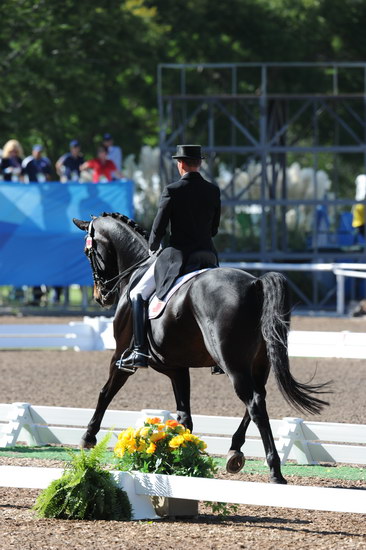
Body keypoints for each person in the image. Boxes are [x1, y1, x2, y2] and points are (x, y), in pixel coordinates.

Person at [119, 144, 221, 369]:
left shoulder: (173, 190)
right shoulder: (213, 191)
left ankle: (139, 351)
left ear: (180, 164)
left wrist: (153, 246)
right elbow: (214, 229)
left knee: (137, 293)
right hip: (207, 257)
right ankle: (219, 358)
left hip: (179, 257)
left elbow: (159, 228)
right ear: (199, 163)